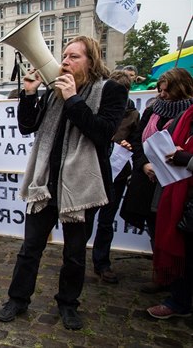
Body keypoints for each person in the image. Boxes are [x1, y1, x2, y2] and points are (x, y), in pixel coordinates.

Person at [0, 36, 127, 330]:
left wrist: (73, 100)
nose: (64, 61)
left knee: (74, 254)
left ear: (91, 61)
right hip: (46, 184)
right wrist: (29, 94)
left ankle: (68, 304)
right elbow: (28, 126)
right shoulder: (55, 91)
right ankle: (17, 299)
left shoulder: (112, 91)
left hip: (82, 186)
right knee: (30, 248)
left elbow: (103, 133)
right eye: (64, 56)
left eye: (73, 57)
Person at [120, 68, 193, 293]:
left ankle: (178, 282)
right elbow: (138, 142)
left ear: (180, 89)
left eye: (166, 90)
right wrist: (144, 164)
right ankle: (162, 275)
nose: (162, 94)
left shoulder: (188, 116)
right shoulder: (152, 111)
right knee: (155, 227)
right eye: (160, 90)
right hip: (149, 181)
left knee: (175, 230)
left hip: (177, 183)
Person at [91, 71, 139, 284]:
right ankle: (74, 260)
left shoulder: (133, 115)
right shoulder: (96, 108)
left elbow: (139, 143)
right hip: (92, 172)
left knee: (106, 221)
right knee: (84, 220)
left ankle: (101, 263)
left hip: (117, 174)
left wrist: (129, 145)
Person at [146, 104, 193, 319]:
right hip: (181, 195)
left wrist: (188, 160)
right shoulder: (187, 115)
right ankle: (179, 300)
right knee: (183, 249)